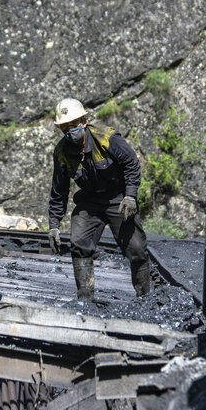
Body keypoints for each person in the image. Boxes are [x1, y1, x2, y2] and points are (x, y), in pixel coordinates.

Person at [47, 97, 151, 299]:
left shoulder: (106, 137)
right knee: (79, 243)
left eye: (73, 125)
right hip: (89, 201)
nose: (70, 131)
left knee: (137, 248)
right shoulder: (62, 153)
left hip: (118, 198)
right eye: (64, 127)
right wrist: (53, 224)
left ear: (84, 122)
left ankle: (145, 297)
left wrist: (130, 196)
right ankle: (85, 299)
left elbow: (131, 163)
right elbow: (59, 189)